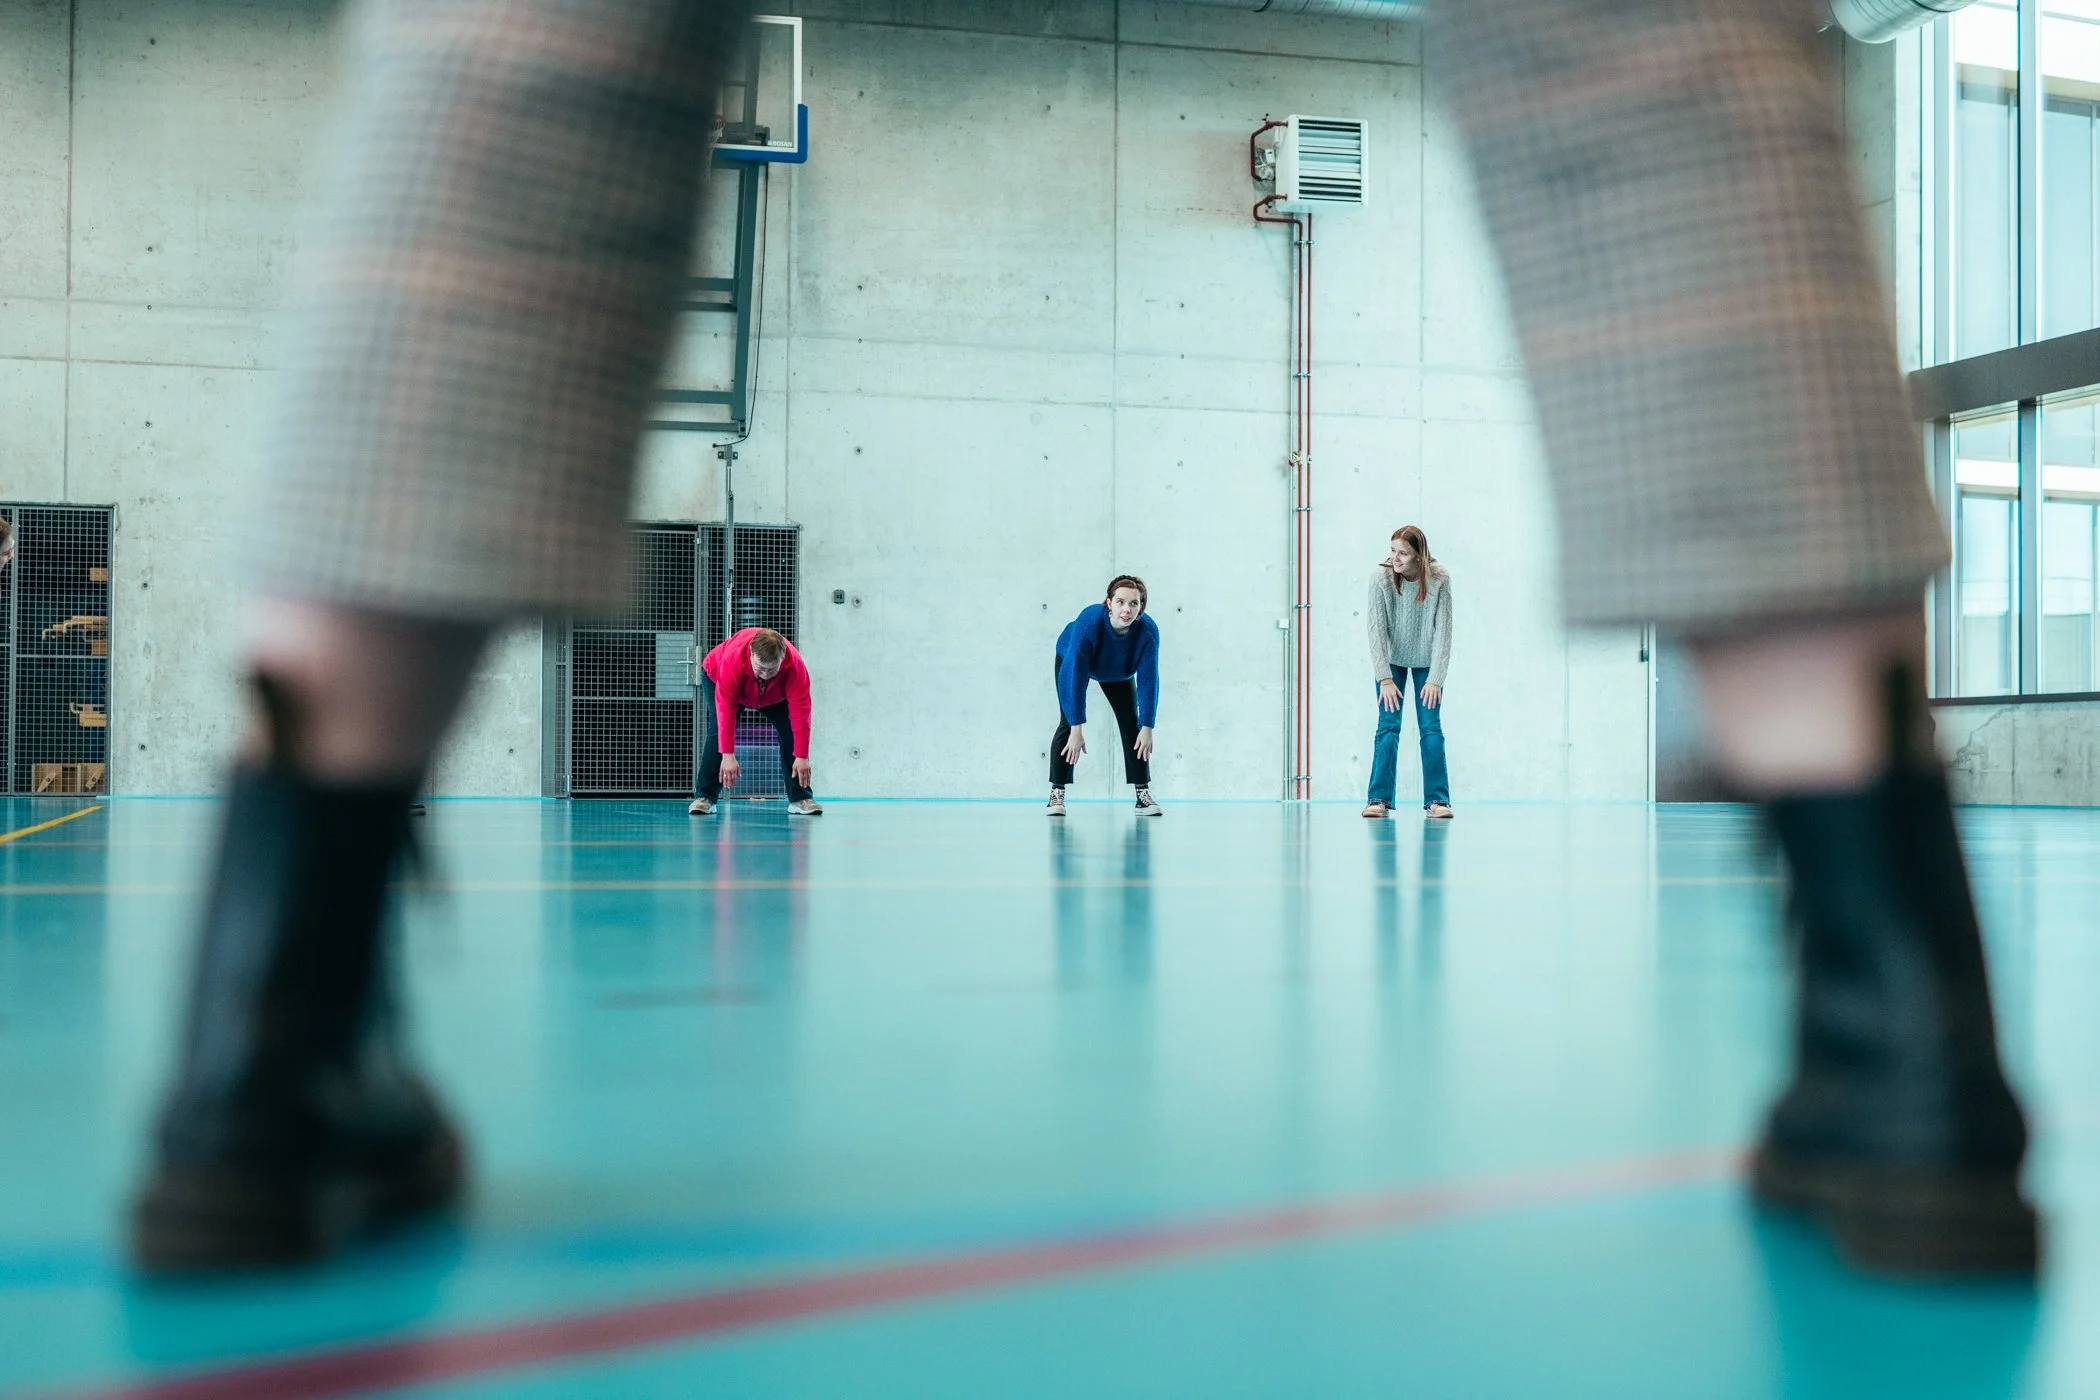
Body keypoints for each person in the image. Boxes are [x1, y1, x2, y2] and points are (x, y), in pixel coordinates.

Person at [129, 0, 2034, 1280]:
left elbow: (1126, 690)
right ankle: (1907, 1057)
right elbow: (1066, 688)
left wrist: (1121, 744)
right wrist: (1061, 746)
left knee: (527, 49)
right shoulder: (905, 656)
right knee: (1647, 46)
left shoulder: (1135, 629)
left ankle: (262, 1049)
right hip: (1100, 705)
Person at [1048, 576, 1162, 817]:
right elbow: (1075, 675)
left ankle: (1143, 794)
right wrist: (1077, 728)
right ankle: (1057, 792)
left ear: (1141, 607)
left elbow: (1149, 679)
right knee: (1068, 724)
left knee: (1134, 726)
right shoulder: (1089, 622)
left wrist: (1148, 725)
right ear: (1108, 603)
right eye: (1120, 602)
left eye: (1134, 603)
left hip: (1118, 670)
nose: (1126, 609)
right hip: (1074, 661)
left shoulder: (1148, 632)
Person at [1363, 526, 1453, 821]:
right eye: (1392, 551)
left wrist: (1435, 678)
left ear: (1419, 556)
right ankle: (1378, 799)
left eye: (1402, 553)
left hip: (1427, 660)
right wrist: (1384, 678)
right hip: (1392, 662)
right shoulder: (1381, 578)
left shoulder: (1439, 579)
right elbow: (1376, 630)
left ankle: (1438, 801)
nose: (1395, 558)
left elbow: (1444, 631)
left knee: (1431, 728)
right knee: (1388, 726)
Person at [689, 626, 819, 816]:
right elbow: (726, 711)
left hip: (772, 695)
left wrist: (801, 757)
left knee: (790, 729)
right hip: (718, 677)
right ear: (750, 651)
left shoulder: (795, 667)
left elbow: (801, 715)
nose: (765, 674)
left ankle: (800, 798)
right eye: (760, 668)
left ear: (782, 659)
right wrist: (728, 756)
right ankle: (705, 797)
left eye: (771, 669)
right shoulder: (732, 660)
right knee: (718, 729)